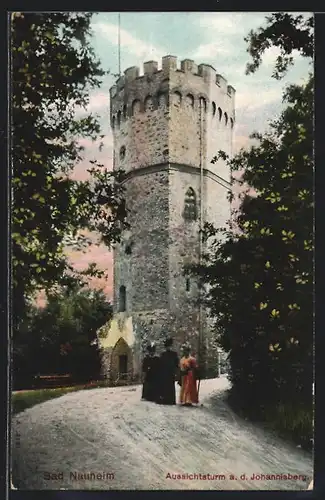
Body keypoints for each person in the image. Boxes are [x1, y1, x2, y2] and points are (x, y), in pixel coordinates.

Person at [157, 337, 179, 405]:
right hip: (164, 373)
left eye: (169, 346)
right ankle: (165, 399)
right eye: (167, 347)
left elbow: (176, 363)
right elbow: (160, 364)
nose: (168, 348)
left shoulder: (174, 354)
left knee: (171, 386)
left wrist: (176, 371)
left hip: (171, 372)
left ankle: (171, 400)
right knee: (164, 386)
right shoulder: (163, 354)